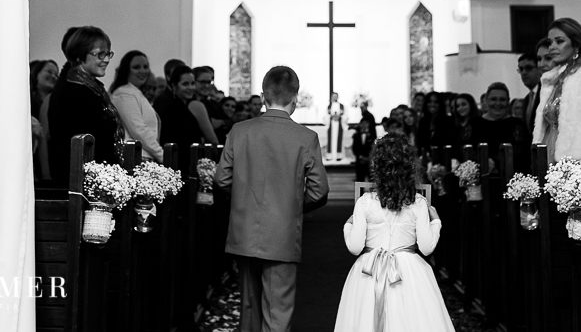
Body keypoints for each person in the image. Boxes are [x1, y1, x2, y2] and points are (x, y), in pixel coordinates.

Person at [215, 66, 330, 332]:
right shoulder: (306, 137)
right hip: (282, 233)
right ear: (296, 98)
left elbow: (221, 179)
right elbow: (319, 191)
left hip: (244, 231)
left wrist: (245, 199)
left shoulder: (239, 131)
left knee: (248, 308)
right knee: (277, 311)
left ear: (262, 96)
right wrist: (292, 206)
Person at [333, 133, 455, 332]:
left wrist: (348, 225)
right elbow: (426, 248)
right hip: (409, 270)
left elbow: (355, 248)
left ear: (376, 167)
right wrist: (436, 222)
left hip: (369, 270)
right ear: (409, 167)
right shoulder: (419, 203)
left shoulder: (364, 202)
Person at [48, 26, 123, 187]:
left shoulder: (88, 87)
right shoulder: (76, 91)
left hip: (93, 177)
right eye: (100, 54)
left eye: (108, 53)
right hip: (81, 180)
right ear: (79, 55)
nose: (106, 60)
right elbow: (88, 141)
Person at [532, 18, 581, 164]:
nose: (552, 47)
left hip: (576, 158)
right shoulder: (552, 78)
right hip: (548, 149)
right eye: (550, 42)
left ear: (576, 45)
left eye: (559, 41)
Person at [109, 50, 164, 163]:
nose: (142, 71)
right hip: (135, 159)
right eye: (136, 67)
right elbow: (138, 130)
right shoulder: (125, 93)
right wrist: (161, 154)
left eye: (145, 67)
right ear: (126, 70)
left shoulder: (134, 92)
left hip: (143, 157)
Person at [155, 64, 218, 149]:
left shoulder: (185, 104)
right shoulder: (170, 108)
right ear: (174, 86)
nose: (190, 88)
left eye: (192, 83)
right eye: (185, 84)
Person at [475, 83, 531, 172]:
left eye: (502, 99)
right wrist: (482, 162)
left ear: (508, 101)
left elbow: (523, 152)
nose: (498, 103)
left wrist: (495, 162)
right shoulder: (475, 123)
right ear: (486, 100)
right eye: (493, 99)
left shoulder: (517, 124)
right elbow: (463, 150)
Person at [30, 59, 59, 182]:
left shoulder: (54, 103)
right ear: (36, 73)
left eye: (56, 74)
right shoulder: (28, 101)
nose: (53, 76)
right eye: (49, 72)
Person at [513, 52, 544, 134]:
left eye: (528, 68)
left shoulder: (546, 93)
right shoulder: (527, 99)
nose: (524, 72)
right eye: (521, 69)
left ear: (539, 69)